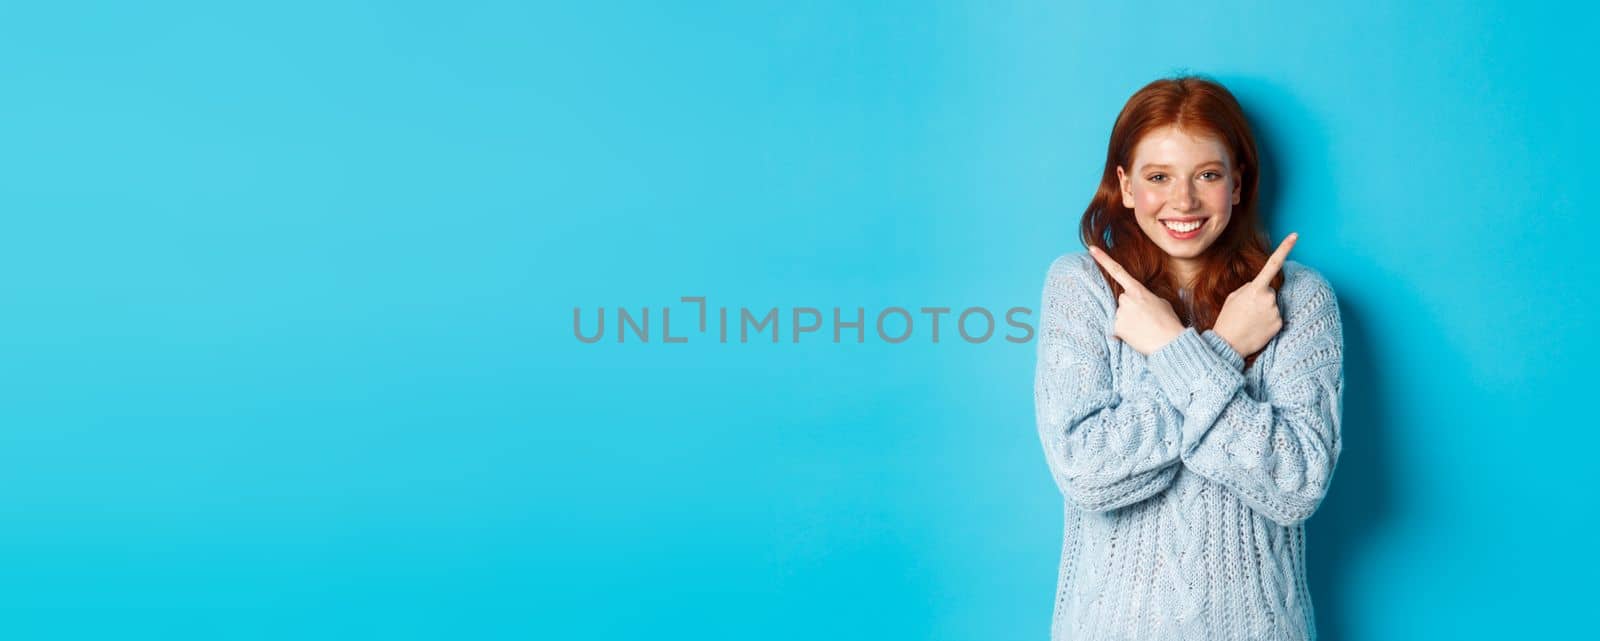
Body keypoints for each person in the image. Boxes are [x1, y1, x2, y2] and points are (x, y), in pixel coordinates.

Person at [1033, 75, 1344, 641]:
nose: (1183, 201)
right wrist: (1223, 350)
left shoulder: (1298, 298)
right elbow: (1084, 469)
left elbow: (1297, 485)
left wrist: (1175, 351)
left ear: (1238, 183)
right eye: (1158, 177)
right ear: (1125, 185)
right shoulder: (1082, 288)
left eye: (1207, 175)